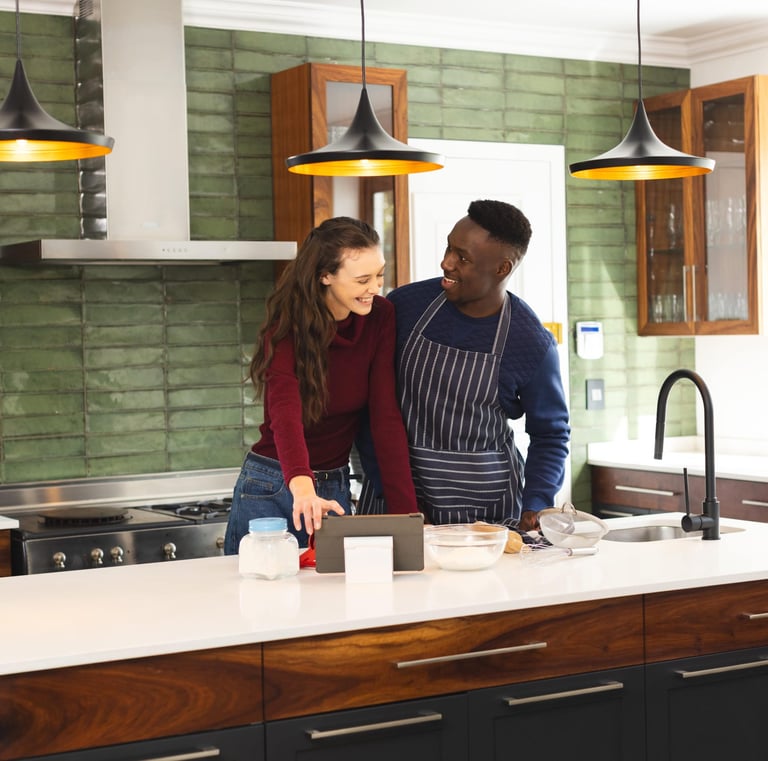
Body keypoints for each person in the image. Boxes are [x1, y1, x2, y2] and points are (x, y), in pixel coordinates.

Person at [357, 199, 570, 532]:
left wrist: (537, 503)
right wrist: (397, 497)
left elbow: (550, 434)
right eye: (449, 249)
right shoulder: (405, 307)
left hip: (487, 517)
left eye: (463, 258)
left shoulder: (530, 342)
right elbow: (369, 409)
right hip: (395, 499)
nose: (446, 263)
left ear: (502, 268)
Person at [224, 216, 418, 552]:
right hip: (273, 485)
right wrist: (302, 488)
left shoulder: (380, 317)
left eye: (379, 275)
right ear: (325, 275)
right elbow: (284, 413)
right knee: (260, 587)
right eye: (362, 280)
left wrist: (409, 519)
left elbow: (385, 417)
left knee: (335, 588)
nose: (375, 288)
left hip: (333, 486)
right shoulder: (287, 326)